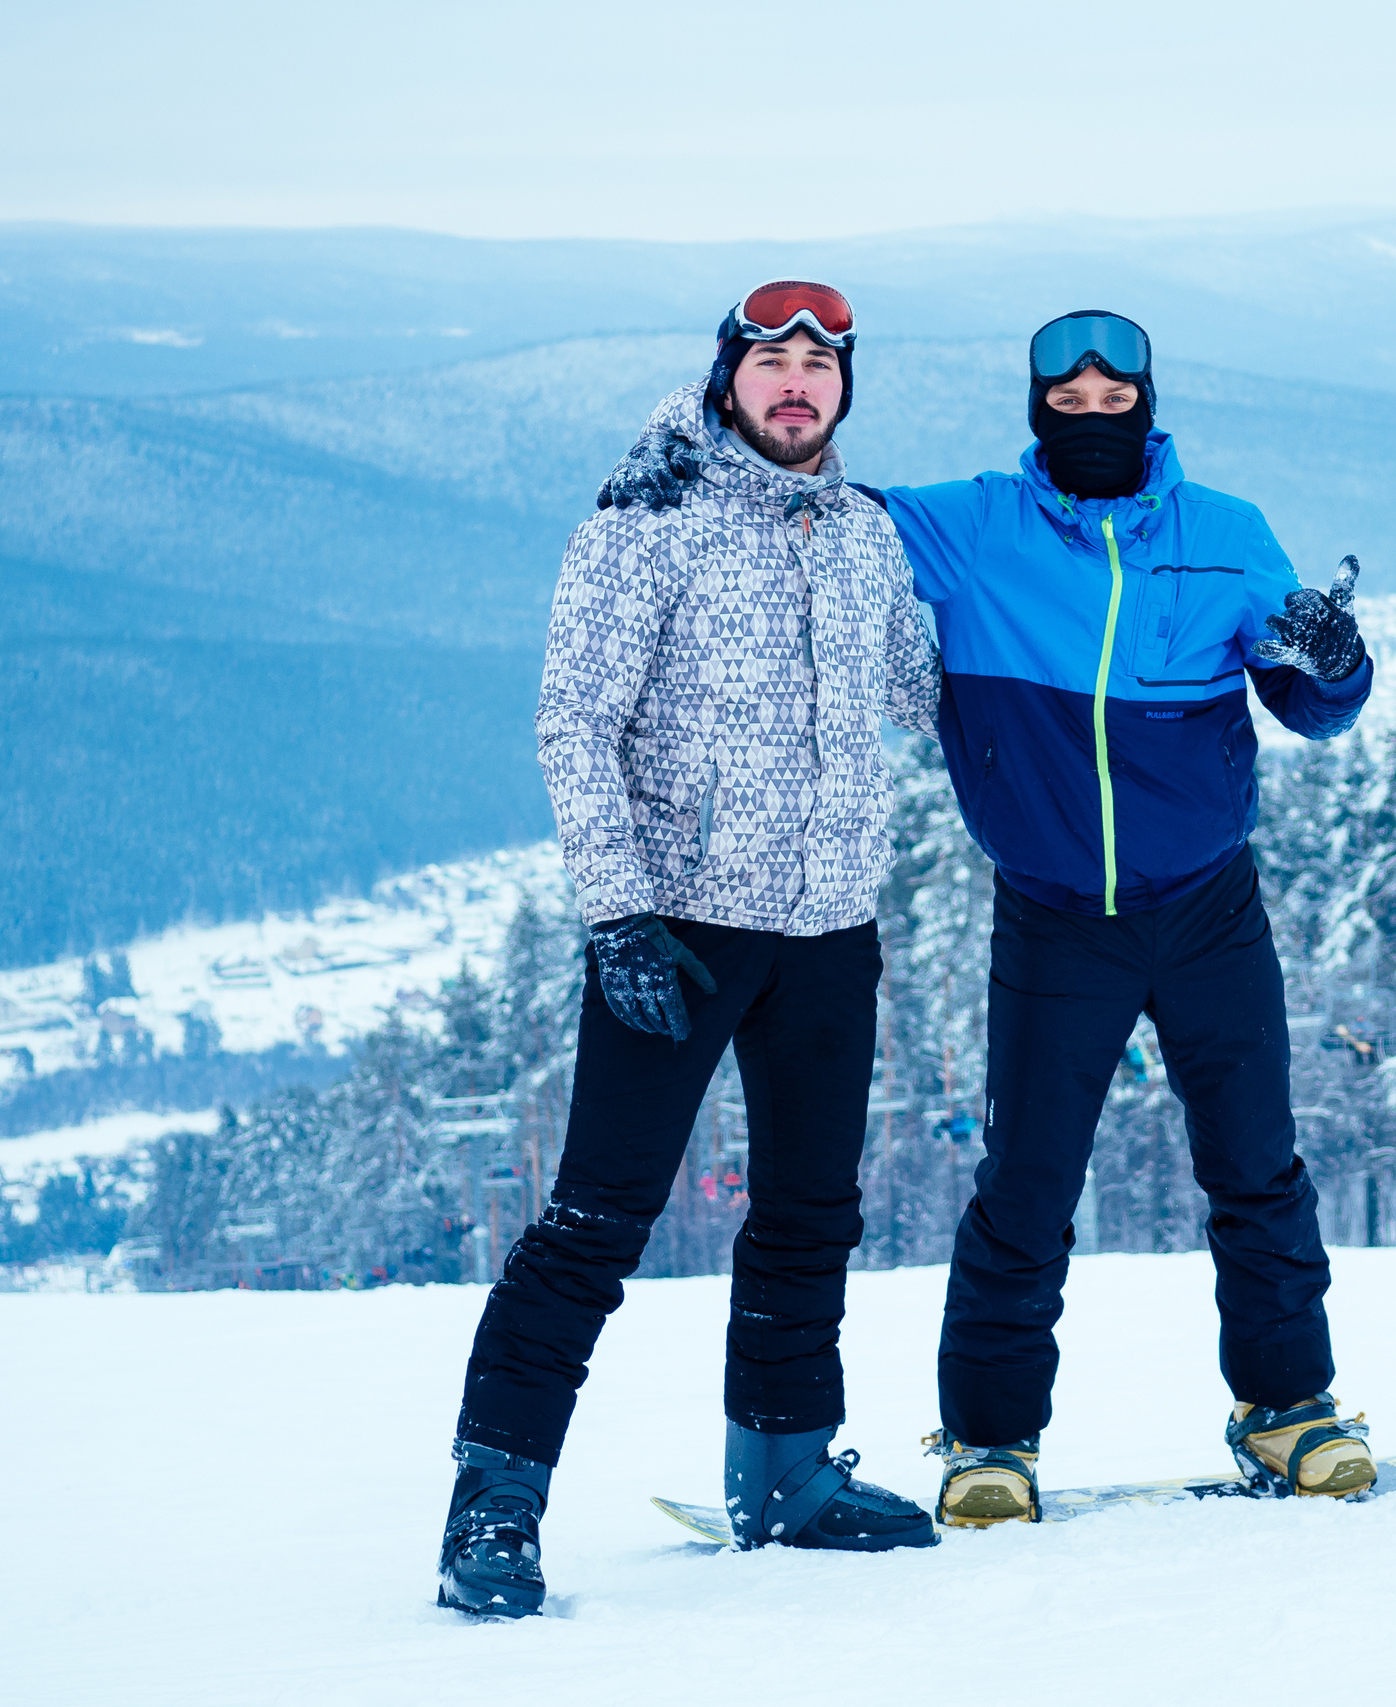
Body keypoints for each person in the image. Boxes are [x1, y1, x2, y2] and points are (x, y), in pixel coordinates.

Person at [435, 281, 944, 1619]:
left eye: (818, 367)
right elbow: (572, 721)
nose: (795, 385)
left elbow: (926, 688)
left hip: (830, 924)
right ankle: (494, 1503)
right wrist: (617, 913)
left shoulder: (862, 534)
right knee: (595, 1222)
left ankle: (787, 1472)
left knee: (810, 1213)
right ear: (728, 379)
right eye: (771, 363)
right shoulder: (644, 520)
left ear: (844, 388)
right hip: (678, 929)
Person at [871, 310, 1380, 1525]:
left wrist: (1335, 660)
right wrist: (696, 470)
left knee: (1256, 1166)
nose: (1093, 420)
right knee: (1027, 1185)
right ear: (1035, 409)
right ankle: (990, 1442)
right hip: (1055, 919)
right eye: (1069, 404)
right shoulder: (972, 527)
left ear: (1147, 408)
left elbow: (1311, 705)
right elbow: (816, 521)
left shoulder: (1225, 533)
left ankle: (1289, 1412)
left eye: (1115, 403)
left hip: (1209, 906)